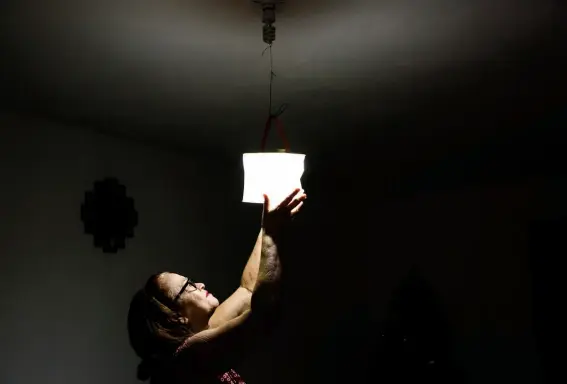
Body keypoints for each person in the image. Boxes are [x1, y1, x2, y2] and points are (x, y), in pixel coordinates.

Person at [127, 188, 307, 384]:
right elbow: (263, 314)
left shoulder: (202, 333)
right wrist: (271, 235)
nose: (200, 284)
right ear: (177, 318)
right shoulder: (186, 358)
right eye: (188, 285)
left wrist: (266, 226)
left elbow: (247, 289)